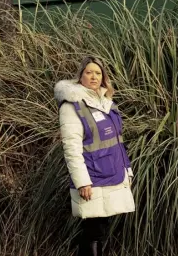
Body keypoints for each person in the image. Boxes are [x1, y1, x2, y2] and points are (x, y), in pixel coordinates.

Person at [54, 56, 135, 256]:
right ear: (80, 76)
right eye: (89, 72)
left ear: (104, 77)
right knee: (93, 231)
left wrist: (127, 171)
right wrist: (82, 182)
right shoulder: (72, 106)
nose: (94, 77)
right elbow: (71, 148)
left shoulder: (107, 103)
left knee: (100, 229)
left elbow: (117, 142)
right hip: (93, 178)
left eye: (98, 73)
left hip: (114, 174)